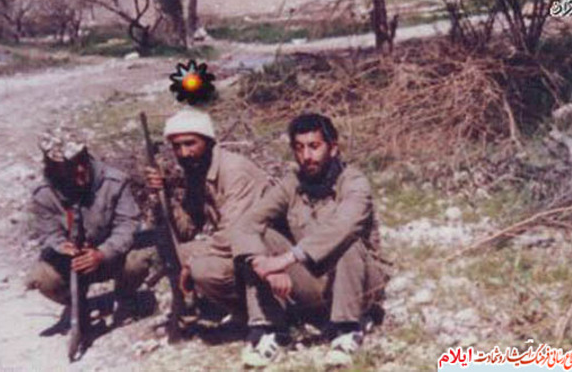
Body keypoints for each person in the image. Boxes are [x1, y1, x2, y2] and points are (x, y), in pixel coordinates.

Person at [231, 113, 389, 367]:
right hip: (316, 278)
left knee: (346, 242)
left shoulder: (354, 182)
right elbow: (247, 224)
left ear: (333, 148)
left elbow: (344, 226)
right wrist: (263, 264)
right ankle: (269, 331)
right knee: (259, 240)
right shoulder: (291, 184)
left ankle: (346, 329)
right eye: (299, 148)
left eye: (314, 146)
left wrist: (286, 259)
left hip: (361, 281)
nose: (307, 156)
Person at [145, 107, 269, 324]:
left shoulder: (234, 171)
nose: (184, 153)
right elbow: (187, 229)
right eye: (177, 147)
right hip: (239, 247)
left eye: (190, 144)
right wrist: (164, 196)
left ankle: (262, 313)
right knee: (174, 253)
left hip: (265, 249)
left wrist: (193, 260)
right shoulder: (198, 171)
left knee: (201, 268)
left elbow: (233, 235)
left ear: (208, 141)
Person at [26, 131, 150, 325]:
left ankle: (125, 299)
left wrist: (103, 253)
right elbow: (48, 233)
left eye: (82, 160)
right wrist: (61, 246)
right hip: (70, 263)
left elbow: (128, 225)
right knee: (42, 277)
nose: (80, 169)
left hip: (110, 256)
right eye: (69, 166)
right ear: (53, 168)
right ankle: (78, 305)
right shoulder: (43, 194)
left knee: (138, 261)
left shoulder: (115, 182)